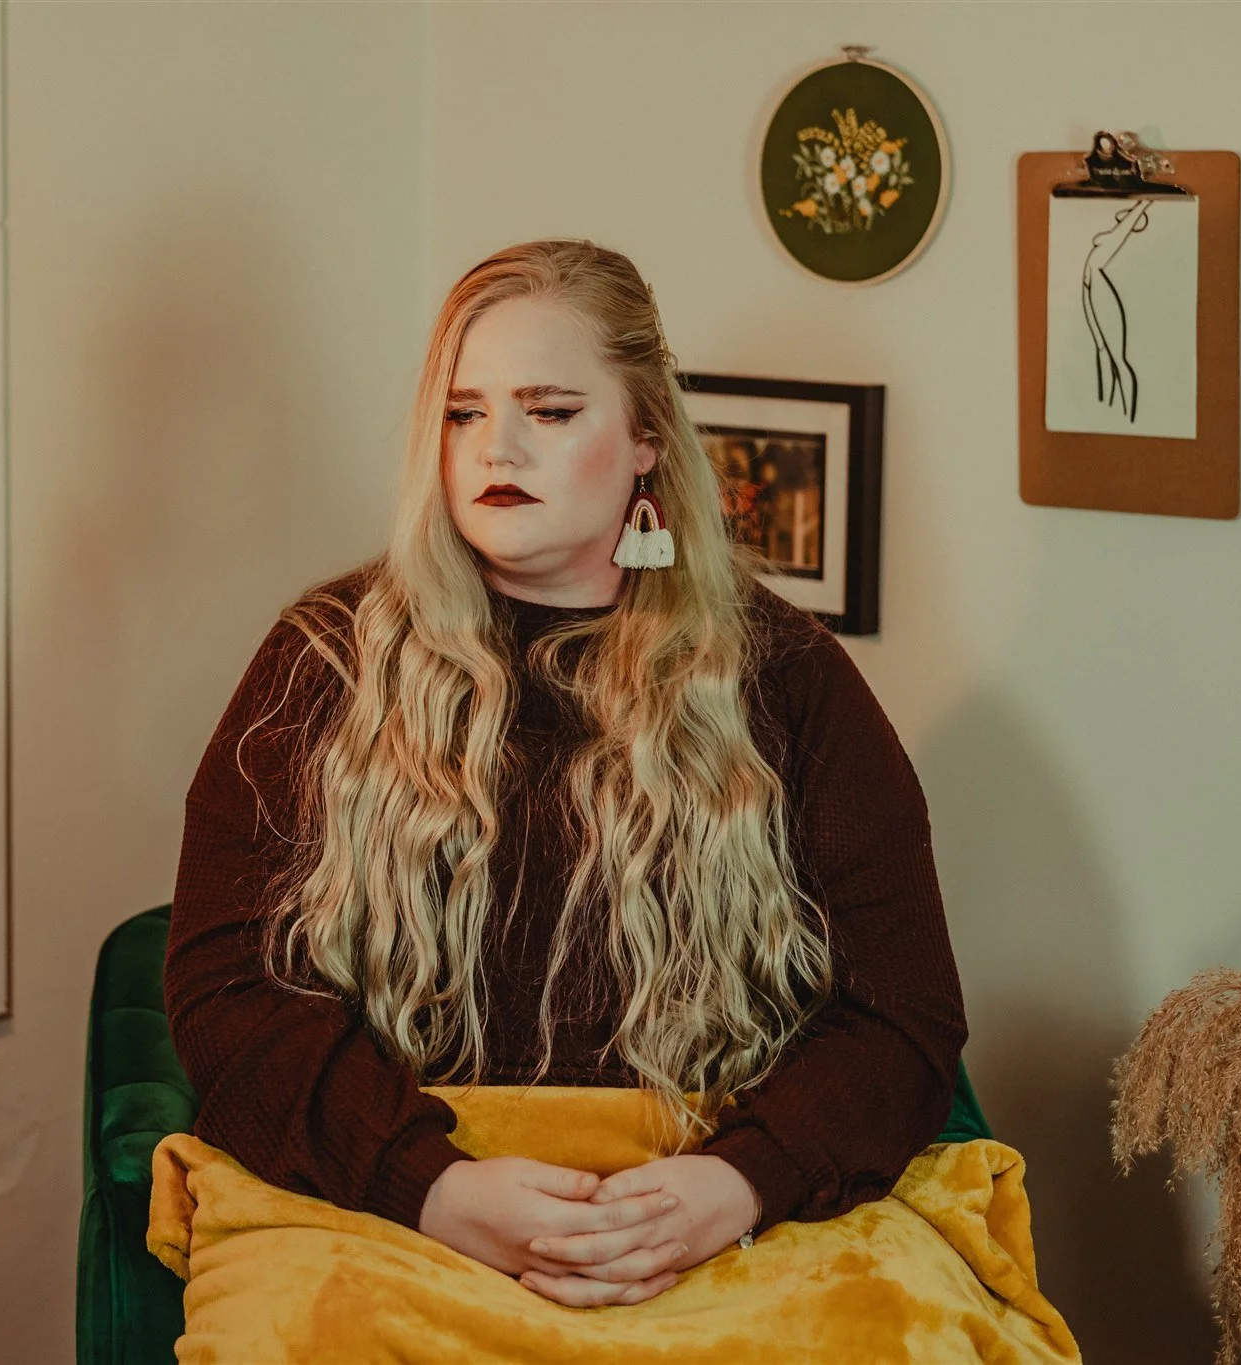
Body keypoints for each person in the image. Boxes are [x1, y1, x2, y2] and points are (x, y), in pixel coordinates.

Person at [165, 238, 966, 1312]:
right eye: (462, 413)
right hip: (393, 1207)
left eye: (548, 412)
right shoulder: (321, 661)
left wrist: (734, 1183)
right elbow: (227, 992)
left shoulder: (788, 679)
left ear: (644, 438)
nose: (497, 447)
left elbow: (902, 1018)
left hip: (704, 1211)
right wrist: (433, 1189)